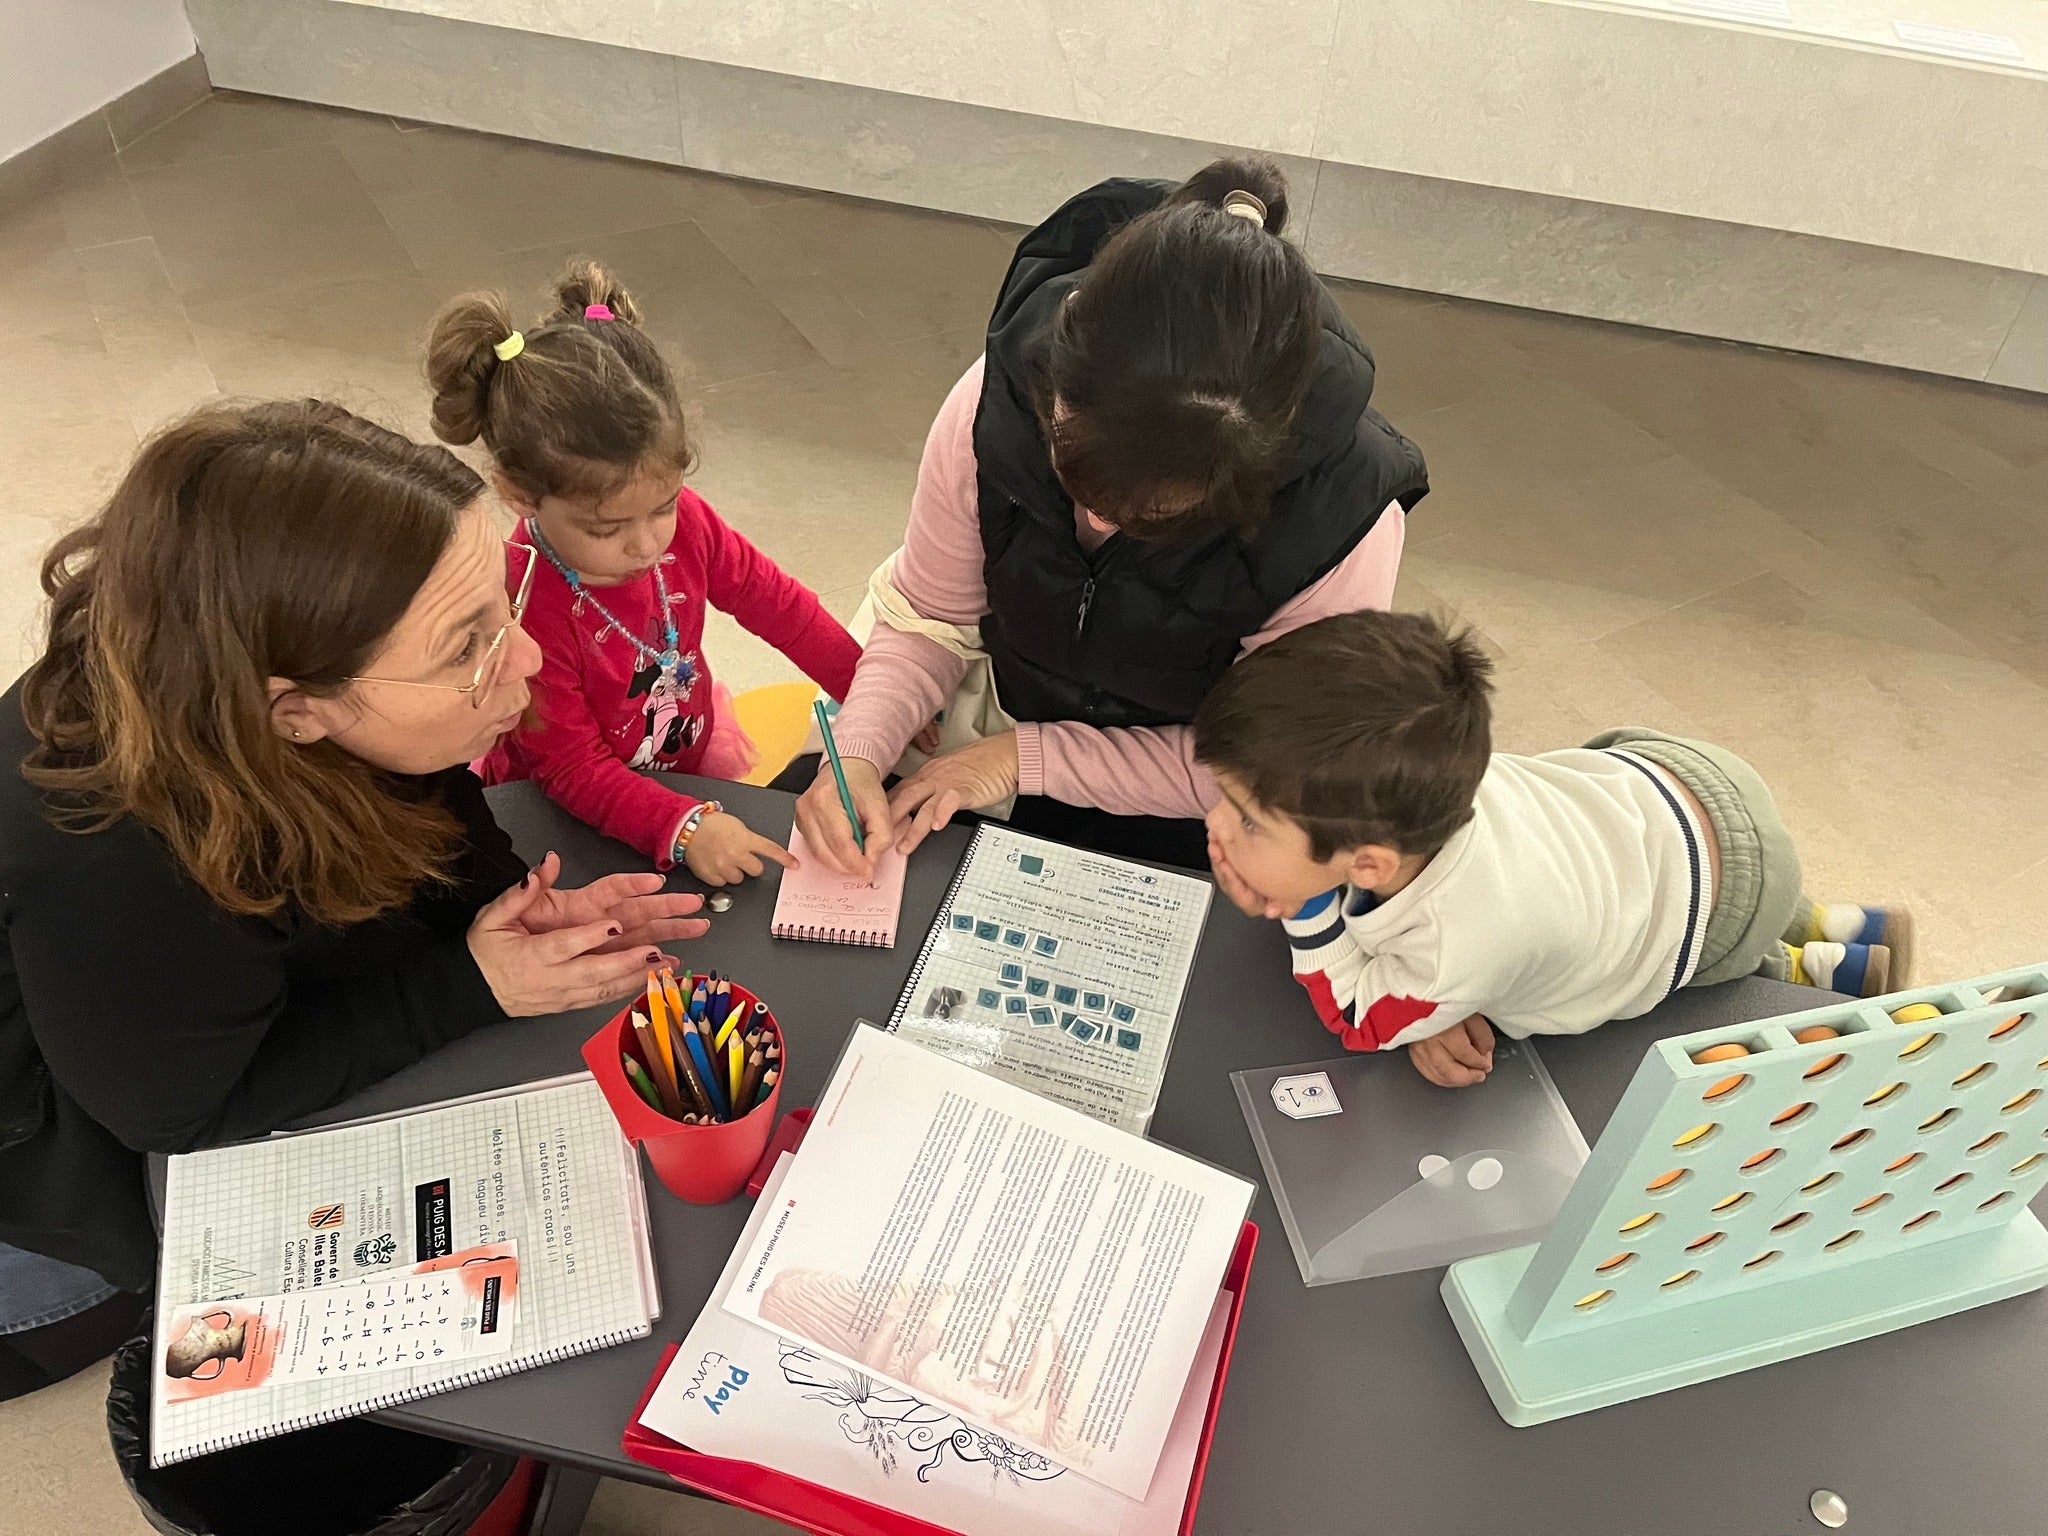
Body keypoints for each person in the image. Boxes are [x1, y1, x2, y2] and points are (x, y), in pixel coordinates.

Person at [0, 400, 706, 1395]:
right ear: (293, 711)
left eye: (500, 605)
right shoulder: (116, 861)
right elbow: (182, 1111)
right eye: (468, 644)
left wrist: (498, 904)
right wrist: (469, 984)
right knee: (106, 1311)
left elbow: (425, 785)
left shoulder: (267, 653)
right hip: (61, 1133)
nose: (530, 658)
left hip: (163, 1001)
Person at [791, 155, 1429, 876]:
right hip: (1005, 703)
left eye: (1155, 515)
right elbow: (929, 617)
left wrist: (1020, 761)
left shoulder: (1342, 518)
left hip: (1194, 785)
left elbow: (1265, 765)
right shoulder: (991, 402)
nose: (1097, 518)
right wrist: (857, 754)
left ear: (1253, 474)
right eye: (1069, 466)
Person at [1191, 611, 1914, 1088]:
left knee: (1673, 954)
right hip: (1679, 778)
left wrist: (1308, 908)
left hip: (1717, 911)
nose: (1217, 828)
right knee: (1613, 858)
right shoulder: (1415, 779)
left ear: (1371, 864)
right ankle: (1845, 925)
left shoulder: (1455, 946)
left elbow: (1358, 1019)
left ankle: (1807, 967)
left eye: (1250, 822)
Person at [427, 260, 861, 884]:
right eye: (606, 529)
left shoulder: (686, 524)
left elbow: (778, 604)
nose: (646, 544)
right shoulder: (521, 601)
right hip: (565, 808)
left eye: (662, 507)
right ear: (521, 496)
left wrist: (871, 694)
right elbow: (572, 768)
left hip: (677, 756)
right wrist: (681, 828)